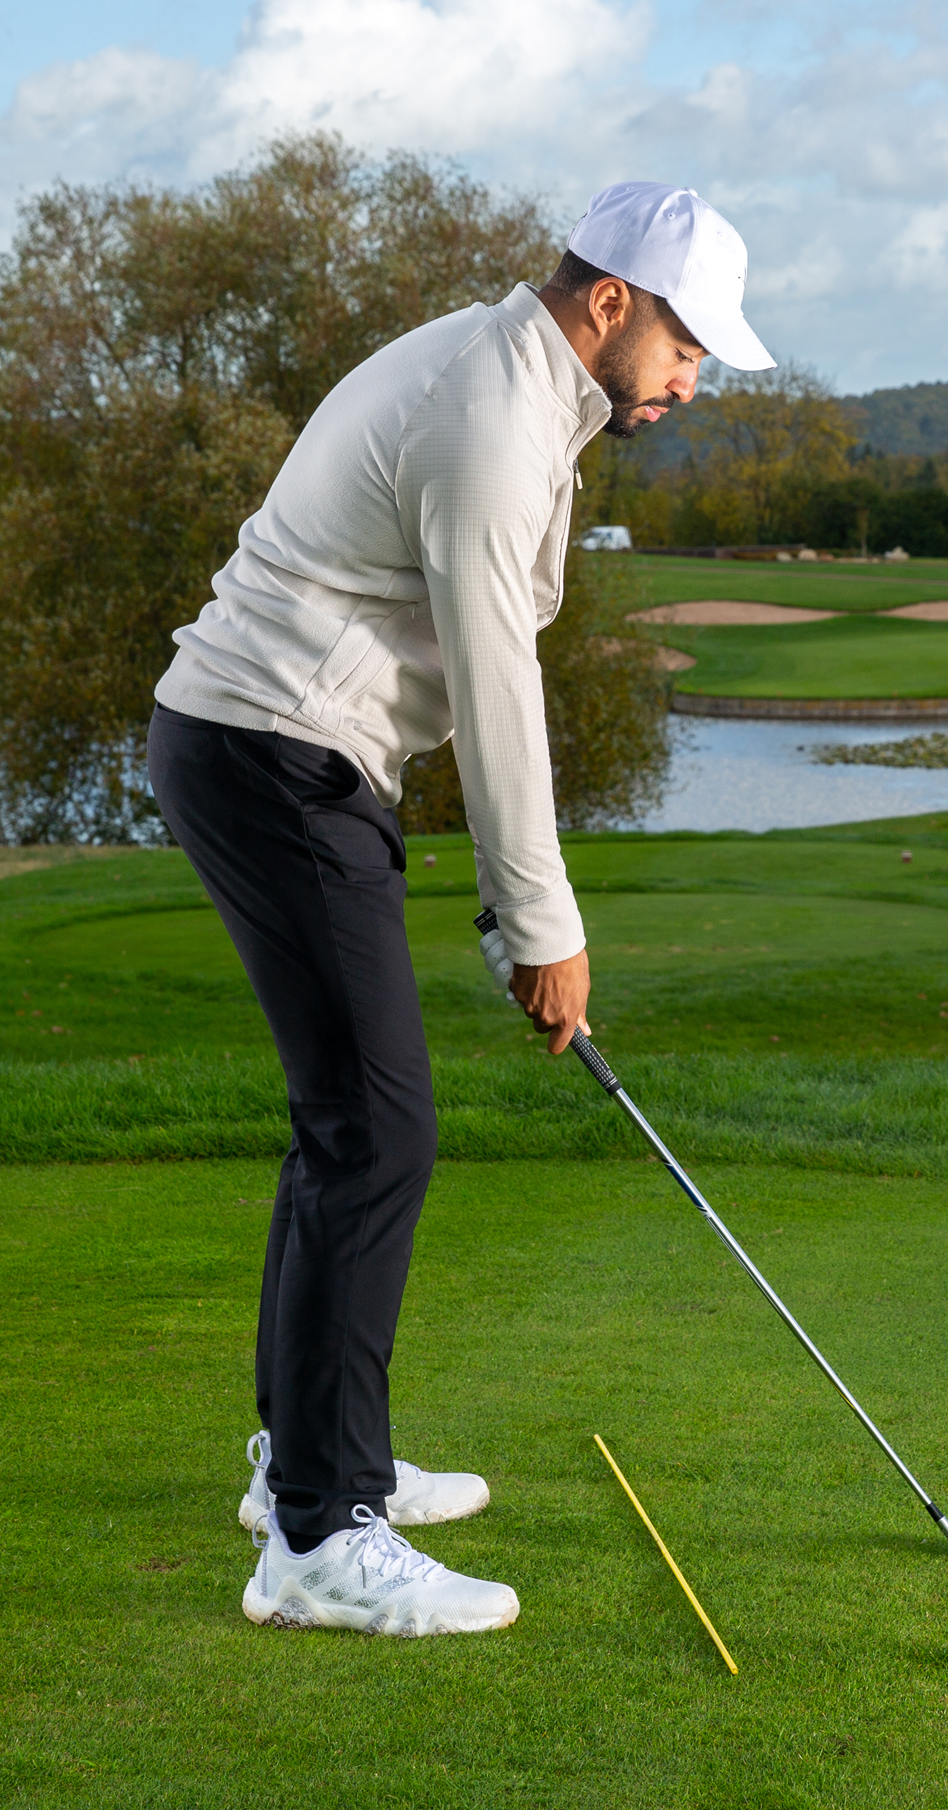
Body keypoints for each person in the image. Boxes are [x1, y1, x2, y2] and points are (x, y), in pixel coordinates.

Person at [143, 183, 774, 1637]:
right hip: (270, 756)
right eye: (686, 345)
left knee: (347, 1124)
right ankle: (315, 1536)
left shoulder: (510, 380)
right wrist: (541, 927)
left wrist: (518, 921)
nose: (692, 380)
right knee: (375, 1129)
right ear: (608, 301)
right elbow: (498, 689)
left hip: (275, 748)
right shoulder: (491, 418)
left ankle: (311, 1464)